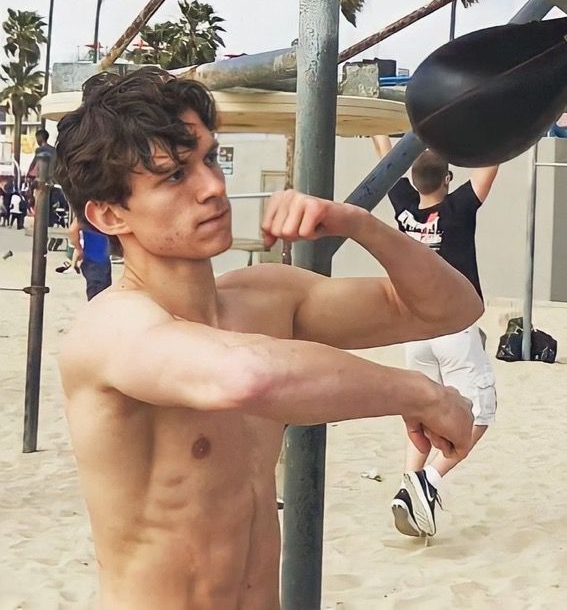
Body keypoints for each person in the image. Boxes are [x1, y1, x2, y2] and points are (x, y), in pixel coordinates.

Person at [54, 68, 482, 609]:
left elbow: (452, 308)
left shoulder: (267, 299)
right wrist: (422, 392)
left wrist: (359, 224)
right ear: (110, 214)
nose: (212, 187)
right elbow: (248, 376)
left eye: (209, 159)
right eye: (173, 177)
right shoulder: (109, 331)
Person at [372, 135, 498, 539]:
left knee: (425, 413)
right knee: (481, 411)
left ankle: (408, 482)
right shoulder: (458, 209)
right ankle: (428, 481)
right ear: (447, 179)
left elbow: (385, 155)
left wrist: (385, 127)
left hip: (417, 332)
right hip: (455, 329)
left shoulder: (404, 209)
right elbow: (492, 162)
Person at [66, 216, 112, 300]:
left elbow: (72, 230)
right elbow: (73, 230)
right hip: (99, 260)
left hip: (91, 258)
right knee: (100, 297)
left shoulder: (87, 212)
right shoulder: (99, 211)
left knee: (96, 295)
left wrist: (78, 248)